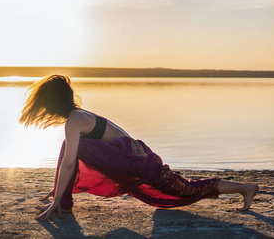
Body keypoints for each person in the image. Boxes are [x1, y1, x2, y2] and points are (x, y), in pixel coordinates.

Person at [20, 75, 259, 220]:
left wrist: (56, 198)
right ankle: (63, 202)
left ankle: (246, 188)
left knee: (185, 190)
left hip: (134, 160)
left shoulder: (75, 120)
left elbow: (70, 161)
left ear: (53, 104)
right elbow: (70, 158)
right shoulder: (79, 117)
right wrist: (58, 193)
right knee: (183, 187)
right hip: (136, 156)